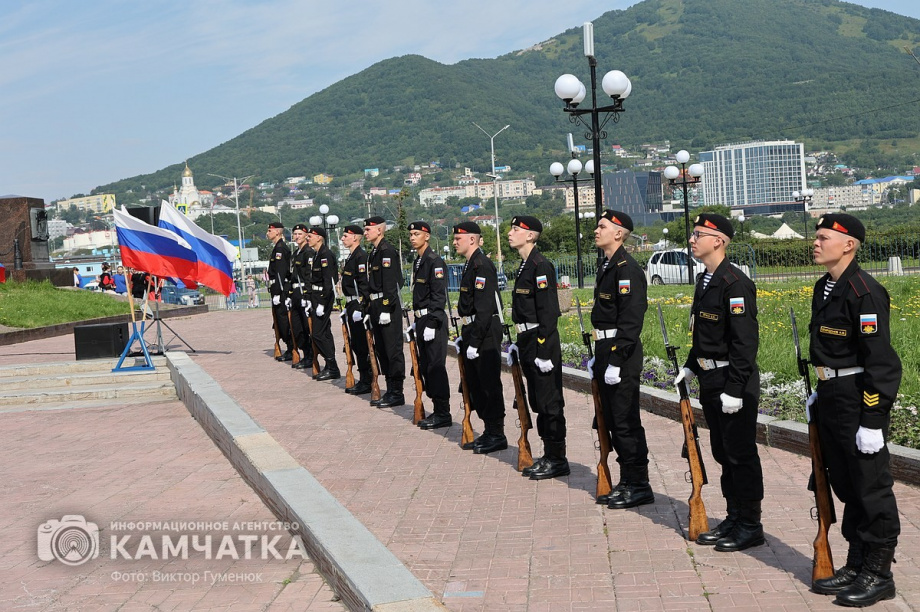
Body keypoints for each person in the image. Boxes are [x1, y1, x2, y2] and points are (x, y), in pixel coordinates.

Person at [807, 214, 901, 606]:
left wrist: (873, 420)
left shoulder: (865, 292)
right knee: (845, 483)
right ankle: (857, 561)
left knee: (870, 487)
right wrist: (820, 389)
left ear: (848, 245)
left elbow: (881, 362)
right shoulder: (824, 287)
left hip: (857, 396)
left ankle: (879, 573)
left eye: (823, 237)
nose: (815, 242)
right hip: (831, 395)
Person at [675, 213, 764, 551]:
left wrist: (736, 387)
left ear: (719, 241)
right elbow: (703, 335)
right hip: (711, 378)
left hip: (731, 380)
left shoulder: (735, 283)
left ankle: (751, 523)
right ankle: (734, 515)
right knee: (723, 453)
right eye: (693, 234)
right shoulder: (705, 281)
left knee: (741, 455)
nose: (692, 239)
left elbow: (745, 342)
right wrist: (690, 366)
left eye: (699, 234)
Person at [589, 211, 652, 508]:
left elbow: (631, 320)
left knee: (626, 421)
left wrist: (616, 358)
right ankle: (627, 480)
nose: (596, 230)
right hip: (606, 348)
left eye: (602, 226)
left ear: (618, 233)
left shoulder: (627, 269)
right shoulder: (608, 266)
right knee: (612, 420)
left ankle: (637, 483)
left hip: (620, 352)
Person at [507, 215, 568, 479]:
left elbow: (548, 313)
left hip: (541, 341)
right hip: (527, 340)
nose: (510, 233)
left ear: (530, 235)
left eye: (516, 229)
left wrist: (543, 350)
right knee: (537, 401)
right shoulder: (525, 266)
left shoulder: (540, 266)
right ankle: (549, 454)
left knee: (549, 402)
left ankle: (558, 458)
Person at [453, 221, 506, 454]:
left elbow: (484, 308)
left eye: (458, 239)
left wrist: (474, 341)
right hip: (472, 330)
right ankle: (488, 430)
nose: (454, 242)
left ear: (472, 239)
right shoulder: (469, 265)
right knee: (475, 384)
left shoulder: (482, 265)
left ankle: (497, 433)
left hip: (484, 332)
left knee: (488, 384)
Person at [408, 221, 451, 430]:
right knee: (425, 366)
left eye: (416, 234)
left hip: (432, 321)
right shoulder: (419, 262)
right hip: (422, 320)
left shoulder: (434, 262)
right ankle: (437, 408)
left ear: (427, 236)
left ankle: (443, 412)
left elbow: (438, 295)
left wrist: (432, 322)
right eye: (410, 234)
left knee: (435, 367)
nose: (412, 237)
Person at [364, 216, 405, 407]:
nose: (365, 232)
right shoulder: (375, 251)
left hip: (386, 305)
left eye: (368, 229)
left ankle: (397, 391)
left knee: (392, 349)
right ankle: (390, 389)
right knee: (381, 349)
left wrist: (387, 307)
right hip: (376, 305)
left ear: (379, 230)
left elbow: (391, 282)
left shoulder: (386, 251)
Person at [340, 225, 373, 395]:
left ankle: (367, 380)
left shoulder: (361, 257)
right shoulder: (352, 257)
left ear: (355, 238)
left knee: (361, 345)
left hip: (358, 305)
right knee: (355, 344)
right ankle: (364, 378)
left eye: (345, 236)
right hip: (351, 304)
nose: (342, 238)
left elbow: (363, 285)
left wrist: (361, 306)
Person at [306, 227, 340, 380]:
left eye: (310, 236)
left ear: (319, 237)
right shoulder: (317, 254)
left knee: (318, 334)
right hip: (316, 296)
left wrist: (323, 303)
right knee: (324, 332)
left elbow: (329, 281)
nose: (308, 239)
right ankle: (330, 365)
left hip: (322, 297)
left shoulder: (325, 255)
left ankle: (332, 365)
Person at [287, 224, 315, 370]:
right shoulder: (296, 253)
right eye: (295, 234)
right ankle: (306, 354)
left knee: (306, 327)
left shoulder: (308, 252)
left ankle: (311, 356)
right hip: (295, 294)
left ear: (306, 235)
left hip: (304, 293)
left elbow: (309, 276)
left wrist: (307, 295)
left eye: (299, 234)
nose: (297, 236)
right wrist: (289, 295)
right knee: (297, 328)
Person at [266, 221, 293, 361]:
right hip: (277, 288)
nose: (267, 233)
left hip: (281, 289)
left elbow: (281, 272)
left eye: (270, 231)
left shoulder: (281, 248)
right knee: (279, 320)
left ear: (278, 232)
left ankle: (291, 347)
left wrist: (279, 293)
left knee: (283, 320)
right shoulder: (277, 247)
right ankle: (289, 346)